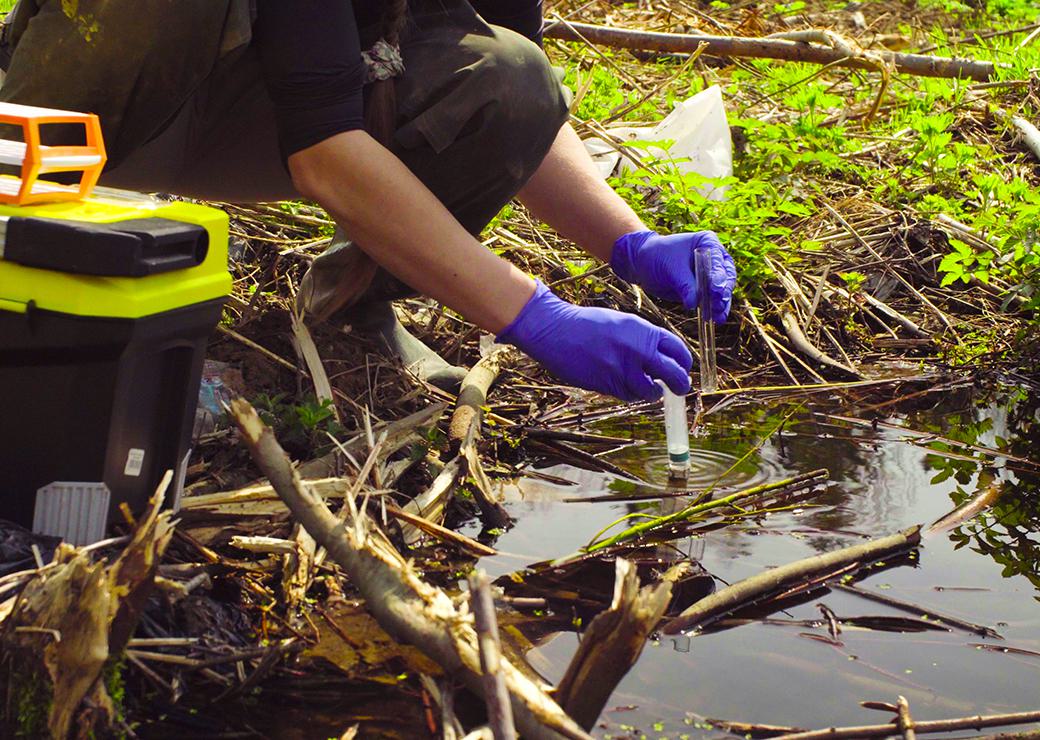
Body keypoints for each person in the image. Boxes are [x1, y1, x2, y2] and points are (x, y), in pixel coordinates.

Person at [0, 0, 736, 400]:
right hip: (97, 109)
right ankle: (28, 227)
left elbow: (521, 104)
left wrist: (629, 243)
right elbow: (324, 154)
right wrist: (534, 316)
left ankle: (348, 306)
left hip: (262, 107)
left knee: (509, 73)